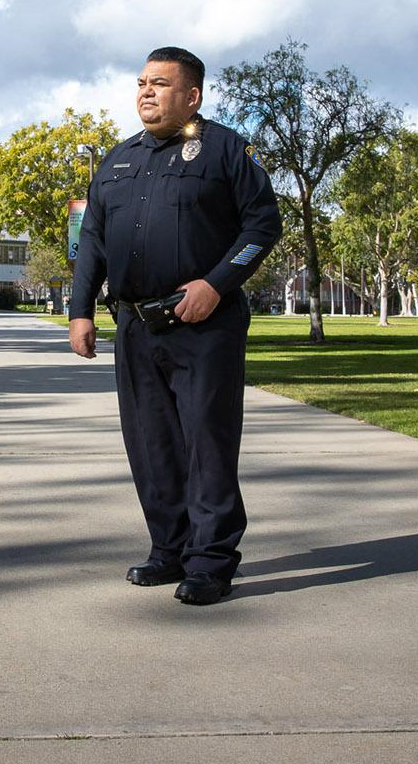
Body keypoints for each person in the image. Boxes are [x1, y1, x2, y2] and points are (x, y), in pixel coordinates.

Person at [68, 46, 283, 606]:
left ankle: (211, 561)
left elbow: (263, 224)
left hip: (204, 325)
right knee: (151, 444)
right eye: (141, 81)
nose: (146, 91)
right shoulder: (116, 161)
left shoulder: (226, 151)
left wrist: (216, 283)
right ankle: (170, 549)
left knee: (207, 445)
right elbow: (91, 240)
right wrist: (80, 310)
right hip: (135, 326)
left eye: (160, 83)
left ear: (192, 95)